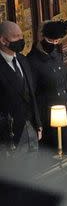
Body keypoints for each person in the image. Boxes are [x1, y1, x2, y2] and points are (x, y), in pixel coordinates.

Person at [28, 19, 67, 155]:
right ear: (41, 37)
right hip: (48, 117)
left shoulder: (57, 55)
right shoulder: (32, 61)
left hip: (65, 113)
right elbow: (31, 95)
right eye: (52, 41)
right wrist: (37, 123)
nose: (55, 44)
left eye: (57, 41)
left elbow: (64, 85)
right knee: (55, 155)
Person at [0, 21, 41, 156]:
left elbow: (31, 94)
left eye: (21, 36)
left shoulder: (23, 60)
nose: (21, 40)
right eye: (16, 37)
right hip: (11, 135)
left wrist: (38, 123)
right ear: (3, 40)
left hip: (31, 127)